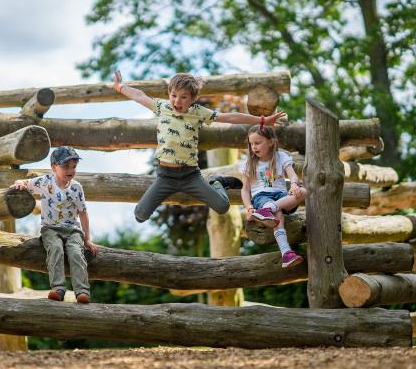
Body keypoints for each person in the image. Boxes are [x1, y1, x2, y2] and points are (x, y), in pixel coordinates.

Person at [113, 70, 286, 222]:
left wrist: (262, 120)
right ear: (169, 94)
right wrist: (120, 86)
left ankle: (218, 182)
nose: (177, 101)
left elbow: (230, 117)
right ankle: (144, 210)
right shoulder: (162, 107)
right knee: (140, 215)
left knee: (222, 206)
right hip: (165, 176)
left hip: (190, 176)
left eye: (183, 97)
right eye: (174, 95)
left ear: (193, 99)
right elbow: (139, 96)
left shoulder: (198, 113)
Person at [11, 146, 98, 303]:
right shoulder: (45, 182)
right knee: (56, 248)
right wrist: (20, 184)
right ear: (53, 167)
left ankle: (82, 291)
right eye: (66, 166)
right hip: (50, 229)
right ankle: (58, 288)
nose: (71, 170)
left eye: (74, 166)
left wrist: (87, 239)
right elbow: (25, 182)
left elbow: (83, 212)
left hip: (73, 230)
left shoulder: (77, 188)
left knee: (76, 253)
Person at [241, 124, 306, 268]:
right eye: (251, 144)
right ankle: (286, 253)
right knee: (277, 216)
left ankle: (269, 209)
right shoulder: (249, 163)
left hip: (282, 197)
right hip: (261, 197)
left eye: (258, 143)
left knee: (304, 192)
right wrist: (249, 207)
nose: (254, 147)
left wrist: (294, 185)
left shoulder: (281, 157)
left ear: (271, 142)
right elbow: (245, 190)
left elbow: (293, 176)